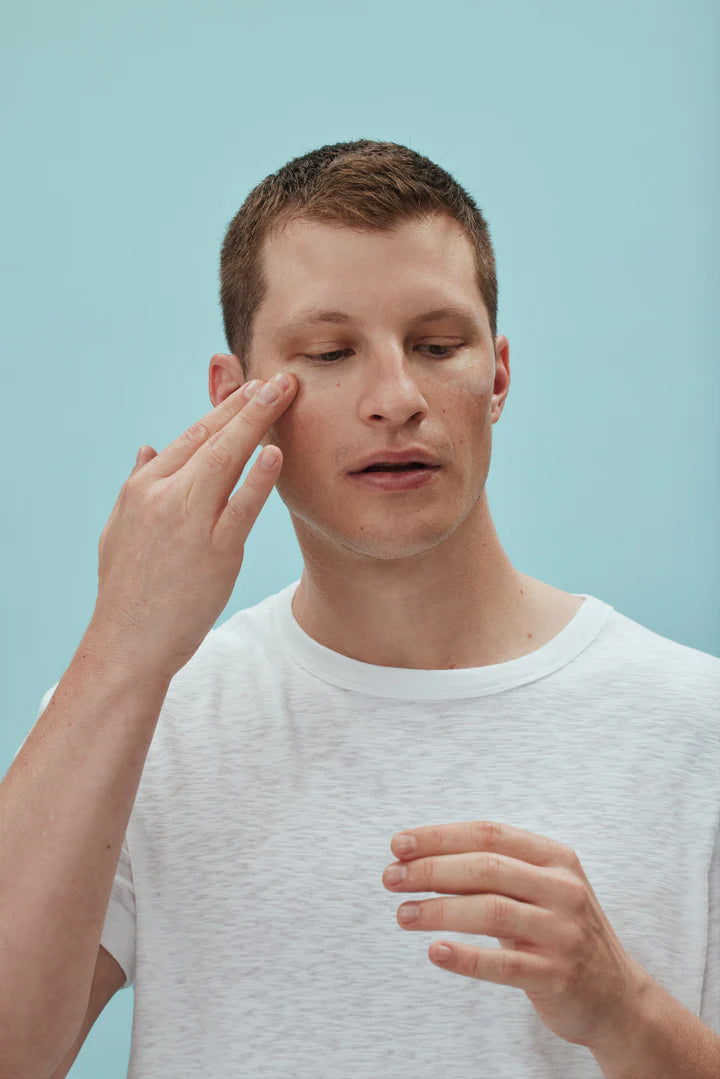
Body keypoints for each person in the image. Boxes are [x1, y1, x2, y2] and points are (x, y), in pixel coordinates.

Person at [4, 139, 718, 1078]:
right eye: (332, 353)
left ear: (498, 377)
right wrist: (122, 647)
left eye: (438, 346)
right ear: (237, 398)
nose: (397, 398)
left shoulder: (696, 723)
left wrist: (627, 1011)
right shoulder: (144, 716)